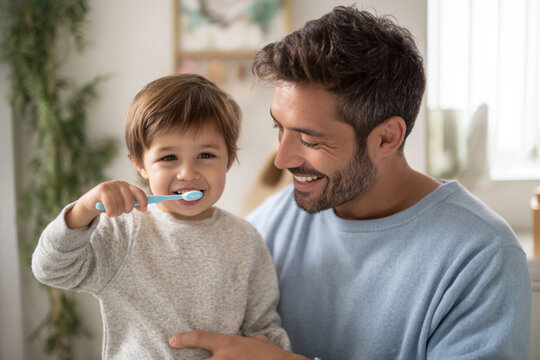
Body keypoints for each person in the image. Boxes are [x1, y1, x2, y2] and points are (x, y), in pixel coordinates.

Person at [168, 6, 532, 360]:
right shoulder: (278, 220)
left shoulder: (481, 255)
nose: (282, 160)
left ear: (388, 137)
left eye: (310, 140)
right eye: (279, 128)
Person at [31, 74, 290, 359]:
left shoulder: (246, 239)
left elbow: (265, 331)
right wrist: (83, 210)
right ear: (140, 163)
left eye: (205, 155)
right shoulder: (121, 231)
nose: (188, 173)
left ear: (228, 158)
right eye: (169, 158)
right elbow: (50, 269)